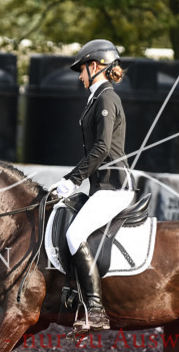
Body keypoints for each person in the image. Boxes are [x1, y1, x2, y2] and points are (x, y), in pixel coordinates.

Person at [52, 39, 135, 334]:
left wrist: (72, 179)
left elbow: (101, 148)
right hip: (100, 186)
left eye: (82, 70)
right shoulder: (96, 99)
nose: (79, 76)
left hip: (114, 186)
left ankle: (97, 311)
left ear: (95, 66)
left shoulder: (107, 99)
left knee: (75, 233)